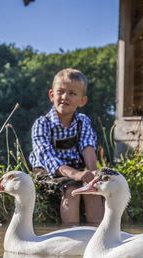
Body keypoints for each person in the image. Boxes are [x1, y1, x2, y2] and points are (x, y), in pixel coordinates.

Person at [29, 68, 103, 225]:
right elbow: (47, 157)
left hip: (76, 167)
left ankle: (98, 233)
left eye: (72, 93)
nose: (64, 97)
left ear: (82, 101)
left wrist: (93, 173)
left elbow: (87, 146)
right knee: (72, 190)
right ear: (51, 95)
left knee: (92, 191)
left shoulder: (83, 121)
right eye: (60, 92)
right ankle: (70, 233)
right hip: (48, 171)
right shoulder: (42, 124)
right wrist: (75, 175)